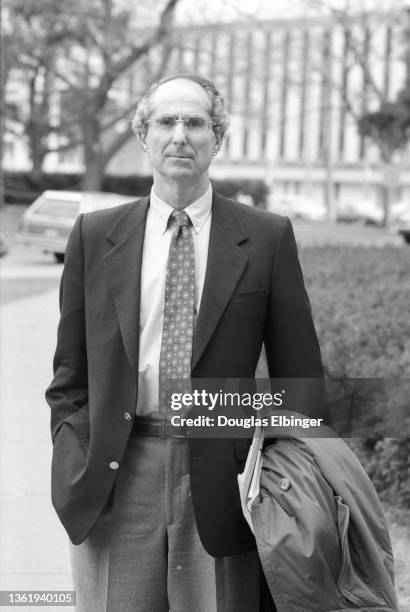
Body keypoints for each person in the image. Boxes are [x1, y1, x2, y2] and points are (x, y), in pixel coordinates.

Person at [46, 73, 323, 612]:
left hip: (225, 482)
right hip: (114, 478)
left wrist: (267, 469)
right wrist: (70, 451)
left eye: (195, 122)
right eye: (165, 121)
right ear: (143, 136)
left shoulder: (267, 237)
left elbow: (301, 383)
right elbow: (68, 376)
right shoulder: (93, 235)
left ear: (217, 139)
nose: (180, 135)